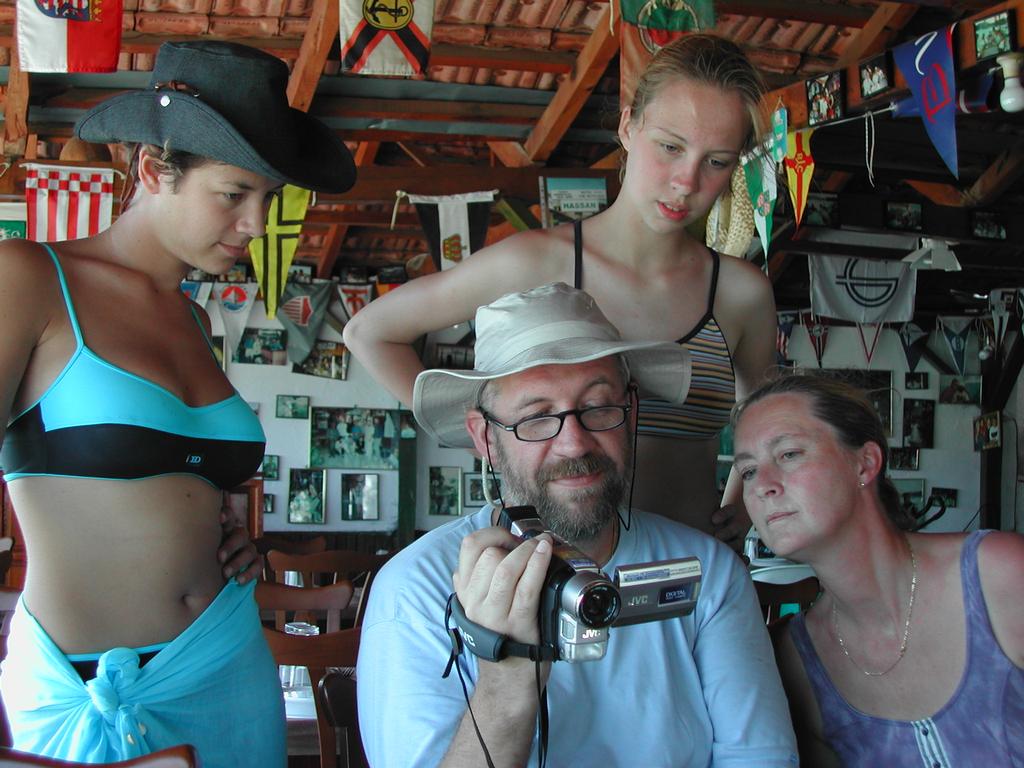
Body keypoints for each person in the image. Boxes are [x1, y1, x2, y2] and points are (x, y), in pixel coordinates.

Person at [0, 41, 354, 764]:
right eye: (233, 194)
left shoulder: (196, 321)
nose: (256, 225)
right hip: (95, 682)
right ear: (154, 169)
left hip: (228, 660)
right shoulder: (30, 279)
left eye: (269, 199)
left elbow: (182, 484)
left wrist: (233, 542)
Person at [343, 34, 778, 549]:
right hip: (547, 580)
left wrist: (747, 499)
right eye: (670, 146)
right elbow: (368, 332)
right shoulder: (534, 263)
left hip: (689, 581)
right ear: (627, 127)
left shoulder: (741, 293)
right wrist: (489, 439)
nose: (686, 180)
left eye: (717, 160)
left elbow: (766, 418)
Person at [356, 283, 797, 767]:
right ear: (484, 438)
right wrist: (506, 680)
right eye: (537, 417)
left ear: (629, 414)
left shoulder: (707, 572)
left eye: (598, 407)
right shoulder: (415, 591)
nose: (574, 444)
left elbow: (761, 757)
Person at [732, 374, 1024, 766]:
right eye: (748, 471)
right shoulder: (798, 660)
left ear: (865, 463)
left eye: (789, 454)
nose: (762, 485)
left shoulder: (998, 575)